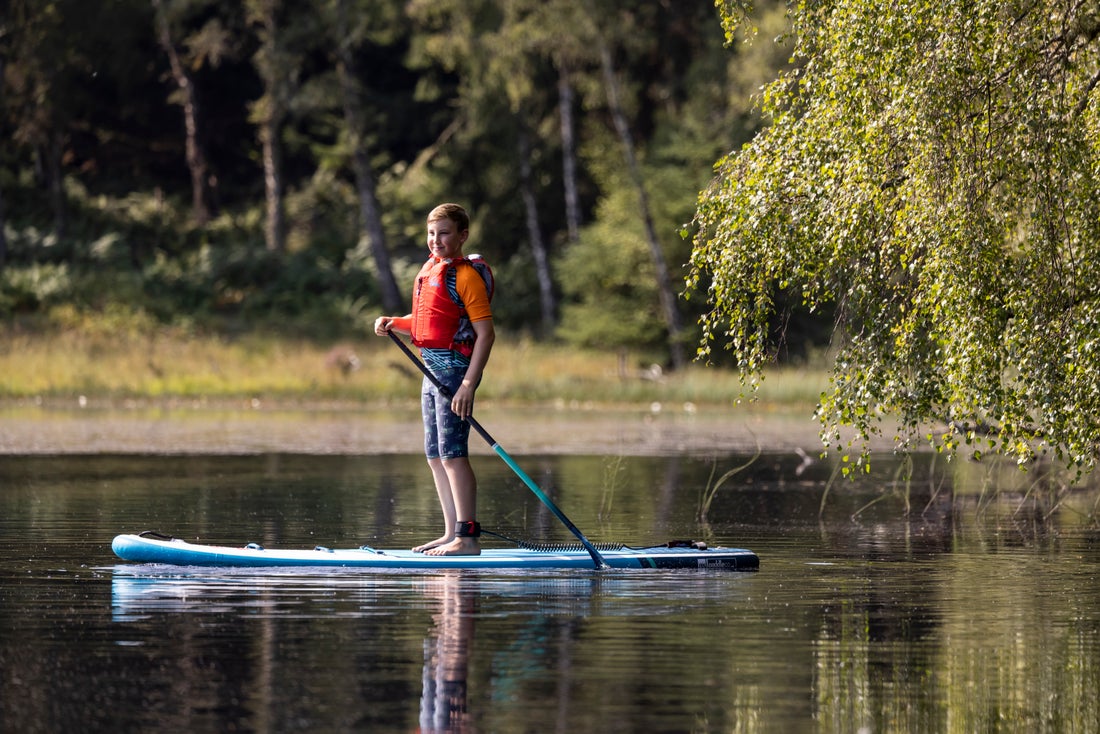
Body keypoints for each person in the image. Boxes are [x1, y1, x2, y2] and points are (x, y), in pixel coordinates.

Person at [374, 203, 495, 556]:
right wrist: (394, 321)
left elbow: (485, 335)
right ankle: (450, 533)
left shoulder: (467, 277)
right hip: (431, 372)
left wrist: (468, 385)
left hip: (456, 373)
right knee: (435, 455)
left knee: (454, 455)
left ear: (462, 236)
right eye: (431, 233)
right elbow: (429, 320)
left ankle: (467, 538)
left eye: (443, 233)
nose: (436, 241)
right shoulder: (432, 271)